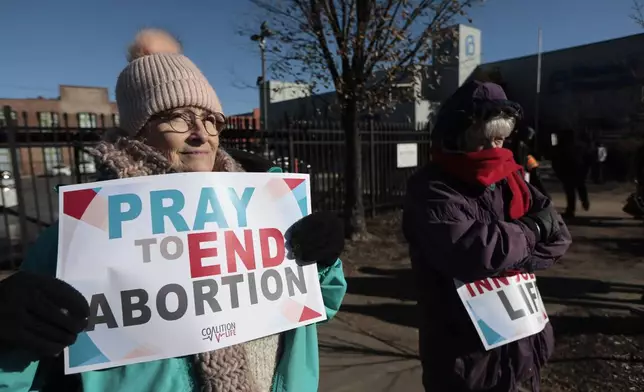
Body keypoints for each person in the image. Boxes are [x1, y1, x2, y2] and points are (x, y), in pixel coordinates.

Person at [0, 29, 347, 392]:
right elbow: (21, 377)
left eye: (211, 119)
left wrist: (321, 263)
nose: (201, 133)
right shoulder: (81, 234)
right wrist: (6, 334)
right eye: (177, 117)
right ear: (138, 132)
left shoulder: (268, 205)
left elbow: (314, 310)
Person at [404, 80, 572, 392]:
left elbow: (559, 235)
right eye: (485, 140)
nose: (495, 150)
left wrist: (511, 253)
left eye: (501, 140)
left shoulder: (512, 179)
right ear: (458, 135)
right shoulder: (432, 187)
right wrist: (532, 231)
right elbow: (473, 252)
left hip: (524, 347)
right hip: (466, 359)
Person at [551, 128, 591, 218]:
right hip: (579, 170)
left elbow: (556, 160)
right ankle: (584, 202)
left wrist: (558, 171)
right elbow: (588, 158)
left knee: (571, 192)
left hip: (568, 172)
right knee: (580, 187)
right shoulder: (581, 146)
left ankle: (571, 209)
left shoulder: (561, 147)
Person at [505, 125, 550, 199]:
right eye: (529, 136)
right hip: (525, 167)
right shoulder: (520, 144)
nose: (529, 138)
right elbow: (521, 157)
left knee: (534, 183)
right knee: (534, 183)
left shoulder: (519, 143)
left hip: (527, 165)